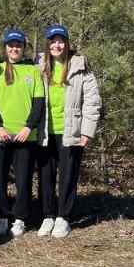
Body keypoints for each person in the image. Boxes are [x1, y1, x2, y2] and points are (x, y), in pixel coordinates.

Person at [35, 24, 102, 238]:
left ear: (67, 43)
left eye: (61, 41)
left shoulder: (81, 67)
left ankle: (63, 217)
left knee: (68, 175)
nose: (57, 44)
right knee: (46, 174)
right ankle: (47, 215)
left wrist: (87, 131)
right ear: (48, 44)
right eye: (53, 41)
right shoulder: (39, 65)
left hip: (71, 130)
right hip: (45, 130)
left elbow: (92, 101)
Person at [0, 28, 46, 238]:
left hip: (25, 136)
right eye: (11, 45)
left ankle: (20, 218)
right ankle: (2, 216)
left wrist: (29, 126)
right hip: (0, 135)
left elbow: (39, 103)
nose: (14, 48)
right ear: (6, 48)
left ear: (23, 48)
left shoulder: (33, 71)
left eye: (18, 45)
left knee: (23, 180)